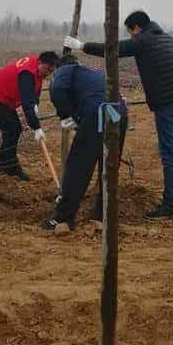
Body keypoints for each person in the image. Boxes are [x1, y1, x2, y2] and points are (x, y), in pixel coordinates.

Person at [64, 10, 173, 220]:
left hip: (168, 105)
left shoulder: (143, 40)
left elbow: (113, 49)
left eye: (130, 32)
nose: (131, 37)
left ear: (136, 27)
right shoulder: (171, 40)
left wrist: (82, 46)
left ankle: (170, 205)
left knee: (170, 153)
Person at [41, 54, 128, 231]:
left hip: (98, 112)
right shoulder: (94, 73)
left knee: (78, 167)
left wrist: (65, 116)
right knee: (109, 165)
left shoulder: (65, 70)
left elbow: (57, 88)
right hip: (118, 113)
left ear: (59, 66)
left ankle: (63, 217)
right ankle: (104, 215)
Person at [0, 51, 60, 180]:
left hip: (6, 98)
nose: (48, 74)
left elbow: (34, 92)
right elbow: (26, 102)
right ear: (40, 62)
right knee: (11, 129)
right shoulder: (27, 73)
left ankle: (4, 162)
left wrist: (35, 103)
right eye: (47, 69)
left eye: (51, 71)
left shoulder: (36, 69)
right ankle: (8, 165)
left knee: (14, 129)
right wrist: (36, 128)